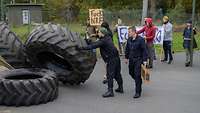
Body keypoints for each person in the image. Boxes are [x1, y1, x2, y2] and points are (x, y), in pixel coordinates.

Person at [78, 27, 124, 98]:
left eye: (99, 32)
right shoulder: (108, 37)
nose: (98, 33)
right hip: (116, 58)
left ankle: (110, 91)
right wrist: (95, 35)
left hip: (111, 59)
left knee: (110, 75)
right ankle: (120, 88)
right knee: (117, 73)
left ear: (102, 33)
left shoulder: (103, 41)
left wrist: (81, 48)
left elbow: (93, 46)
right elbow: (101, 36)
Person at [125, 26, 147, 98]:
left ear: (134, 32)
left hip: (138, 59)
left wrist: (145, 60)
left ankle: (138, 92)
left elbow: (144, 50)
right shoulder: (129, 39)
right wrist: (126, 57)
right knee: (131, 73)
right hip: (131, 59)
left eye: (129, 32)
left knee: (137, 75)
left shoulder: (141, 40)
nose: (128, 33)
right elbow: (127, 49)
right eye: (128, 32)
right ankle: (139, 81)